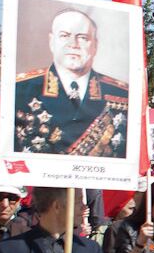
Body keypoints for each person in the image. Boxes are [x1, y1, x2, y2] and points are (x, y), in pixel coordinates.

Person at [13, 9, 129, 157]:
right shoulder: (20, 89)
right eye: (64, 36)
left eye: (82, 38)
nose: (73, 44)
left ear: (95, 45)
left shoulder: (122, 94)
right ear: (51, 41)